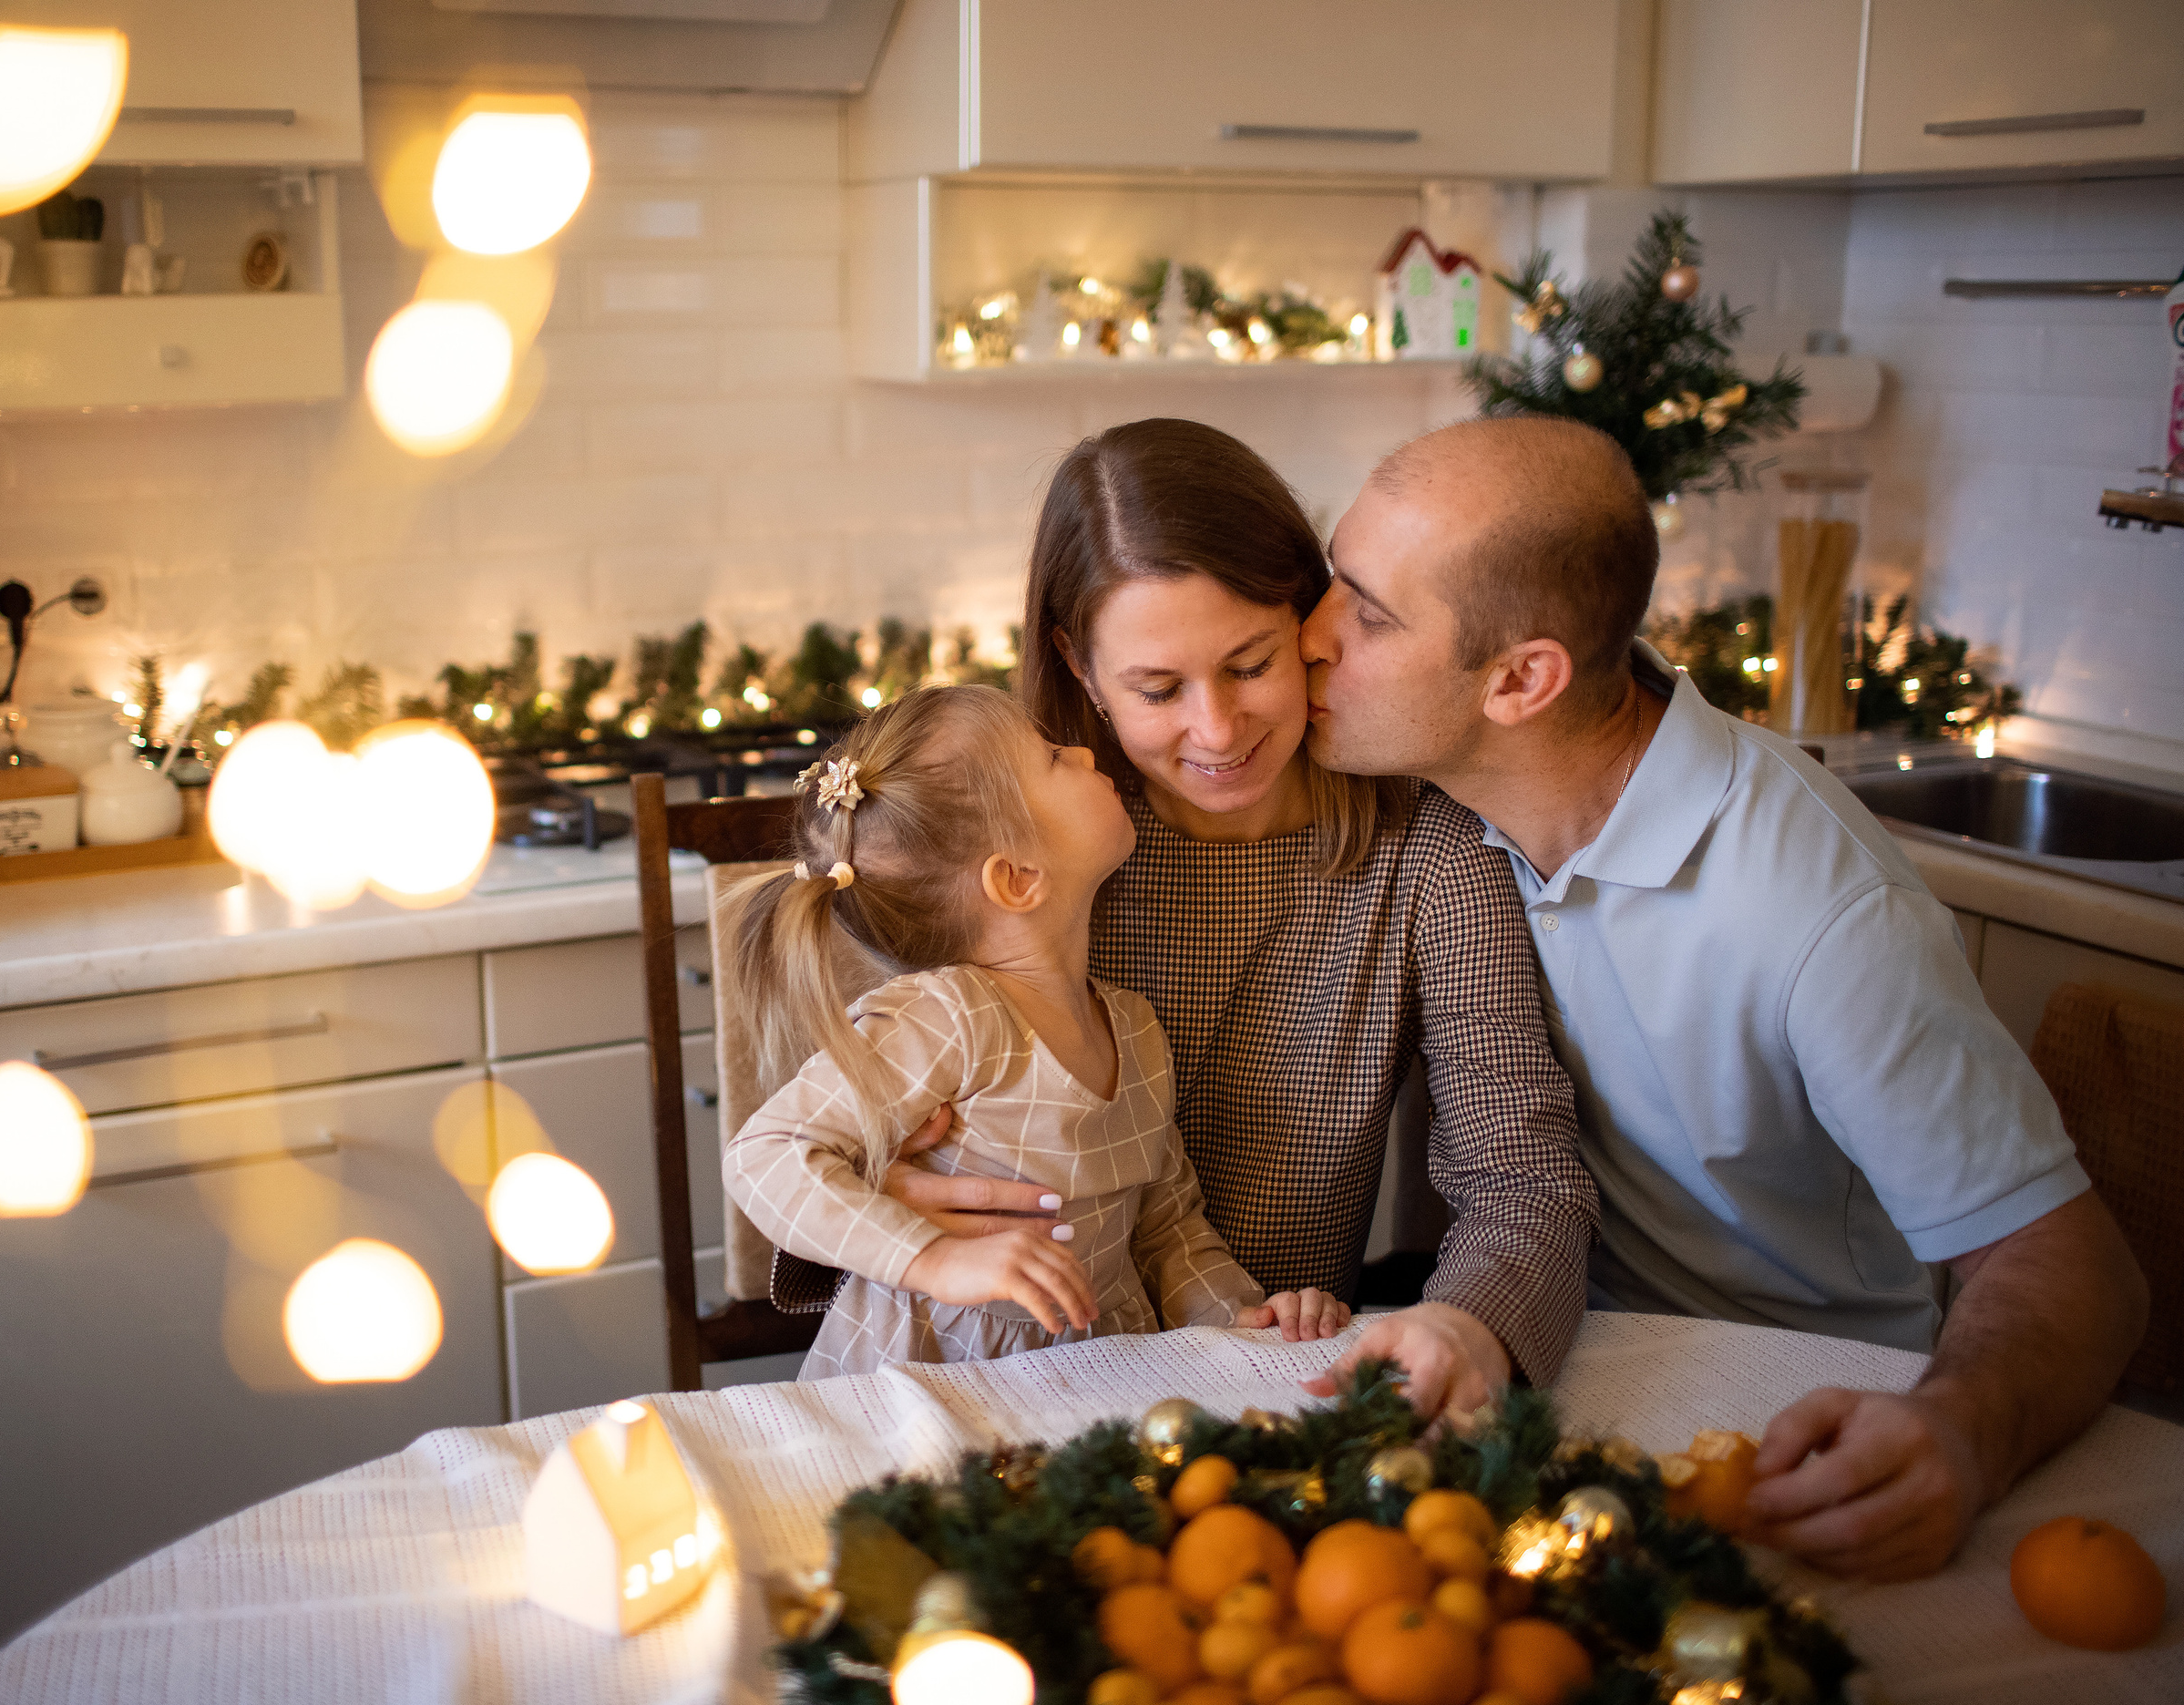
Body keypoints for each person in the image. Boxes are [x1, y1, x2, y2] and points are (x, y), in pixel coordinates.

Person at [1304, 413, 2149, 1578]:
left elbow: (2071, 1267)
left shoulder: (1817, 908)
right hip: (1527, 1346)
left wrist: (1961, 1428)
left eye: (1365, 611)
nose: (1307, 636)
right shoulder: (1442, 798)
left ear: (1519, 679)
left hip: (1775, 1422)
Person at [866, 419, 1596, 1413]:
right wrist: (881, 1194)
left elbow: (1522, 1175)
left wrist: (1465, 1323)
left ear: (1312, 618)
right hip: (1013, 1385)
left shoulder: (1424, 855)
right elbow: (821, 1150)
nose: (1216, 730)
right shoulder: (1005, 848)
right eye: (1156, 688)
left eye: (1251, 663)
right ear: (1078, 665)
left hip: (1276, 1385)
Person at [721, 683, 1348, 1379]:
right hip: (929, 1385)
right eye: (1052, 757)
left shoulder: (1136, 1029)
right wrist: (936, 1258)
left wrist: (1246, 1321)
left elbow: (1167, 1230)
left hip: (1100, 1381)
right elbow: (766, 1153)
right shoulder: (948, 1016)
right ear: (1017, 879)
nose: (1083, 751)